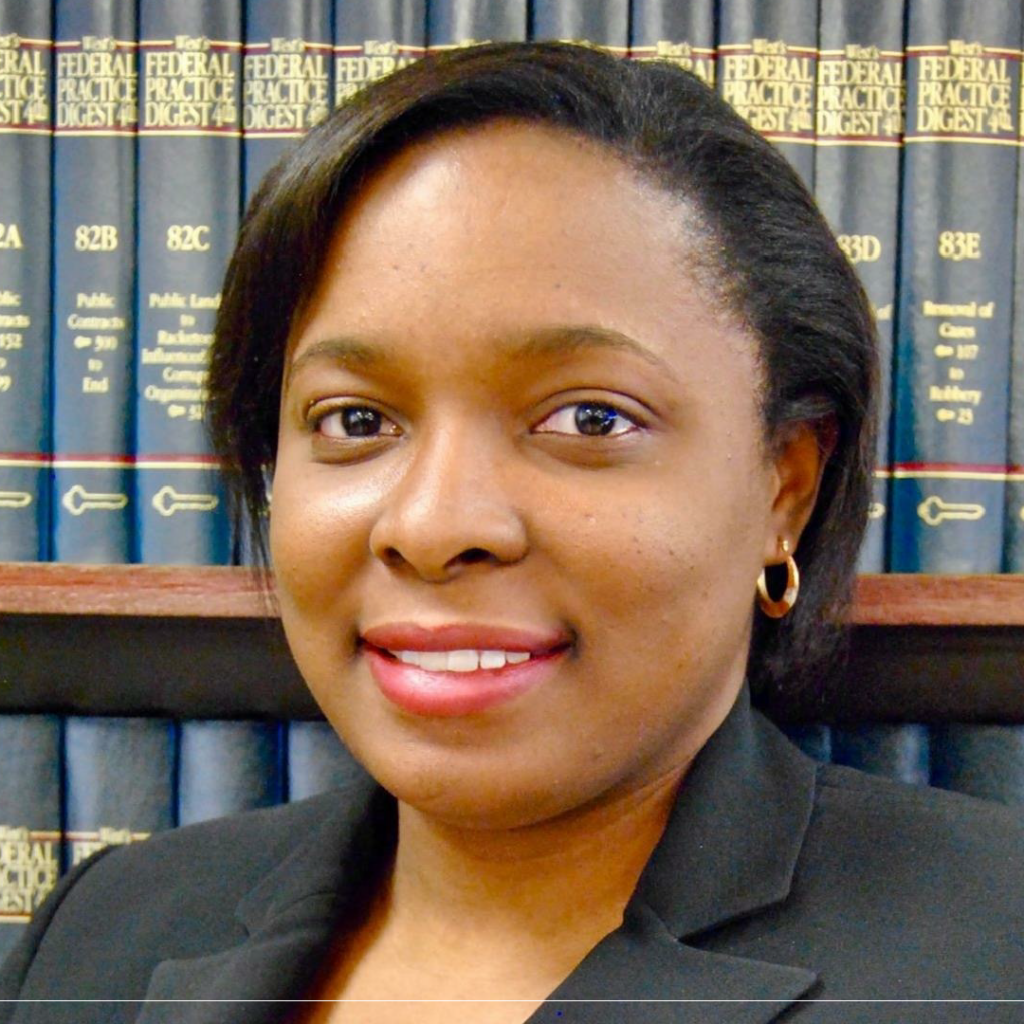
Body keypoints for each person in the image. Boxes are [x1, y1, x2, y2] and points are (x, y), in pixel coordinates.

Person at [2, 41, 1023, 1024]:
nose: (435, 525)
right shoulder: (101, 931)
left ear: (783, 487)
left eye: (588, 418)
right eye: (356, 420)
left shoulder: (992, 950)